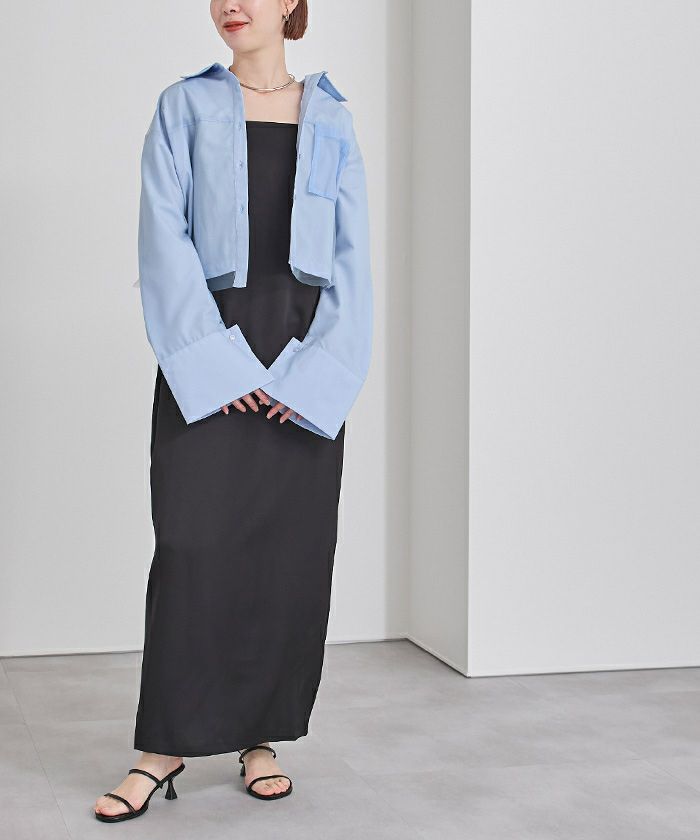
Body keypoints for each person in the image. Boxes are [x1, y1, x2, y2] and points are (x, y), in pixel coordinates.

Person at [94, 0, 373, 822]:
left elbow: (354, 263)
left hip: (303, 356)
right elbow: (162, 241)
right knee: (191, 547)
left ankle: (260, 736)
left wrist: (312, 377)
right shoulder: (182, 106)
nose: (230, 4)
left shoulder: (334, 119)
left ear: (290, 3)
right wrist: (216, 365)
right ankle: (163, 746)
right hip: (208, 352)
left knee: (286, 556)